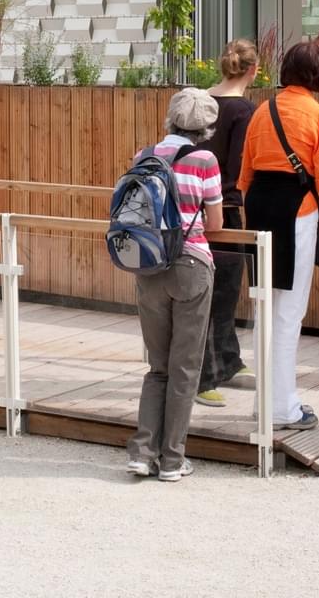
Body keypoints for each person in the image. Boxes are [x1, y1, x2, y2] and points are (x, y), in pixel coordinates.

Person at [238, 42, 319, 432]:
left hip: (258, 210)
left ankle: (264, 402)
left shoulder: (261, 112)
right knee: (288, 314)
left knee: (263, 310)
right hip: (296, 212)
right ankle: (283, 408)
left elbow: (246, 175)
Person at [126, 88, 223, 482]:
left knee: (158, 366)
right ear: (206, 128)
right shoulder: (204, 160)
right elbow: (214, 225)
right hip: (191, 265)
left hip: (148, 264)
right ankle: (172, 459)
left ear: (170, 119)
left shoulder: (144, 155)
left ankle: (142, 452)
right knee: (185, 367)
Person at [195, 39, 259, 407]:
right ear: (253, 70)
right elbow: (237, 168)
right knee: (219, 291)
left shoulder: (200, 101)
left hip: (190, 205)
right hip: (224, 208)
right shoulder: (244, 110)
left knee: (214, 289)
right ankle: (206, 375)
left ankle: (228, 361)